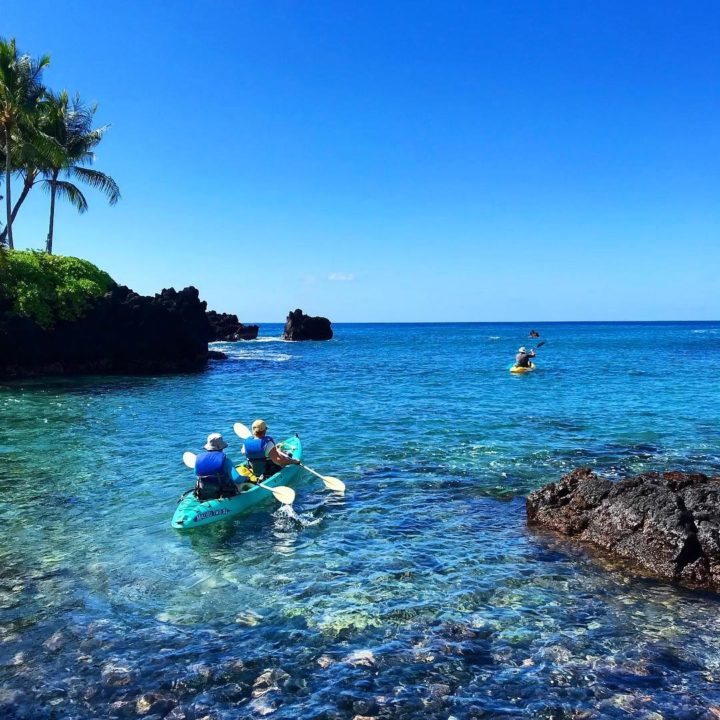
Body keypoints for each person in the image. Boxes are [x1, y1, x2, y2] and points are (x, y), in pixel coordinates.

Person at [194, 433, 240, 500]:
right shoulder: (226, 461)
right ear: (222, 447)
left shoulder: (198, 460)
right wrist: (246, 478)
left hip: (204, 492)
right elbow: (237, 479)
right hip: (224, 493)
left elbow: (196, 474)